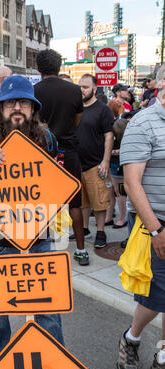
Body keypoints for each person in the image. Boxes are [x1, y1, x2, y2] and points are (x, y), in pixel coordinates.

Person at [0, 75, 66, 366]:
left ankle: (53, 362)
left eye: (23, 102)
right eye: (10, 103)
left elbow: (57, 187)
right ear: (1, 108)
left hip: (38, 238)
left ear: (33, 108)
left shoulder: (48, 140)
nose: (17, 108)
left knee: (47, 305)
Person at [117, 85, 165, 369]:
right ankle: (131, 339)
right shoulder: (143, 123)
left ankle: (162, 355)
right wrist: (156, 229)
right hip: (157, 225)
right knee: (156, 296)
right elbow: (131, 184)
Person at [34, 49, 89, 266]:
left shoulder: (33, 91)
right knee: (74, 202)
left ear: (39, 68)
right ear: (59, 67)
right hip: (68, 150)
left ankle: (45, 249)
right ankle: (82, 250)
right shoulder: (74, 91)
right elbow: (77, 120)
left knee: (41, 201)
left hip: (41, 153)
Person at [76, 74, 114, 249]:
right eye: (80, 86)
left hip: (95, 163)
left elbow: (109, 135)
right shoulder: (75, 108)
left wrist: (105, 161)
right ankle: (84, 229)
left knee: (99, 201)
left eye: (85, 87)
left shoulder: (102, 109)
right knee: (82, 201)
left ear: (94, 89)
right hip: (77, 164)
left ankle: (100, 231)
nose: (82, 90)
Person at [105, 118, 128, 229]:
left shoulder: (125, 136)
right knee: (111, 192)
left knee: (120, 193)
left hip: (120, 166)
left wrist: (111, 152)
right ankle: (109, 217)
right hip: (112, 166)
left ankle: (122, 219)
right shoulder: (113, 131)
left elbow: (125, 150)